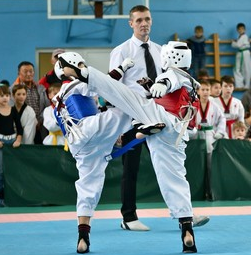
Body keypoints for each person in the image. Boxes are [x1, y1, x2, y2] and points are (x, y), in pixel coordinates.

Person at [57, 46, 201, 253]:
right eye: (78, 65)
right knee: (174, 178)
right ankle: (187, 228)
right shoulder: (194, 83)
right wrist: (130, 72)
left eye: (81, 66)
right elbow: (167, 85)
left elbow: (170, 79)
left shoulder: (174, 74)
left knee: (88, 186)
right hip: (175, 132)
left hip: (81, 144)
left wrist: (160, 83)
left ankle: (83, 235)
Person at [109, 5, 209, 231]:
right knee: (130, 168)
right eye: (139, 20)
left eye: (147, 19)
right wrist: (115, 126)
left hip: (161, 116)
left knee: (172, 167)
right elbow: (113, 90)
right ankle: (128, 217)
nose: (144, 23)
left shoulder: (161, 50)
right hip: (132, 117)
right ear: (131, 23)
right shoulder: (121, 51)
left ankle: (187, 214)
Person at [189, 79, 226, 200]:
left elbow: (222, 119)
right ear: (198, 91)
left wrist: (220, 132)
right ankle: (196, 193)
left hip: (210, 136)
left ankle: (210, 192)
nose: (205, 92)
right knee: (197, 166)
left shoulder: (215, 106)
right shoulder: (192, 104)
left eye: (207, 90)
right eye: (203, 89)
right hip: (195, 136)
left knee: (210, 166)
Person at [12, 61, 50, 144]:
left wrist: (40, 120)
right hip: (22, 126)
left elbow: (47, 106)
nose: (29, 74)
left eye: (31, 71)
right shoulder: (13, 89)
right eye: (25, 71)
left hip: (41, 126)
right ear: (19, 73)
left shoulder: (41, 88)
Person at [0, 84, 23, 207]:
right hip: (1, 142)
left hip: (12, 142)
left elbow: (19, 128)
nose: (5, 98)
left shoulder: (13, 110)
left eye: (7, 95)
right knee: (0, 171)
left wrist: (18, 140)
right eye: (1, 96)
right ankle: (1, 198)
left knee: (12, 170)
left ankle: (12, 197)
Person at [231, 22, 251, 89]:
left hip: (244, 53)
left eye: (242, 29)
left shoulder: (244, 36)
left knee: (244, 69)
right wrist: (236, 41)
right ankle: (242, 85)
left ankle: (244, 85)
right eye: (239, 29)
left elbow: (238, 45)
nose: (240, 30)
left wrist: (234, 42)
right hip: (242, 53)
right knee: (240, 69)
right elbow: (238, 44)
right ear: (237, 30)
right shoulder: (241, 37)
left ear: (245, 29)